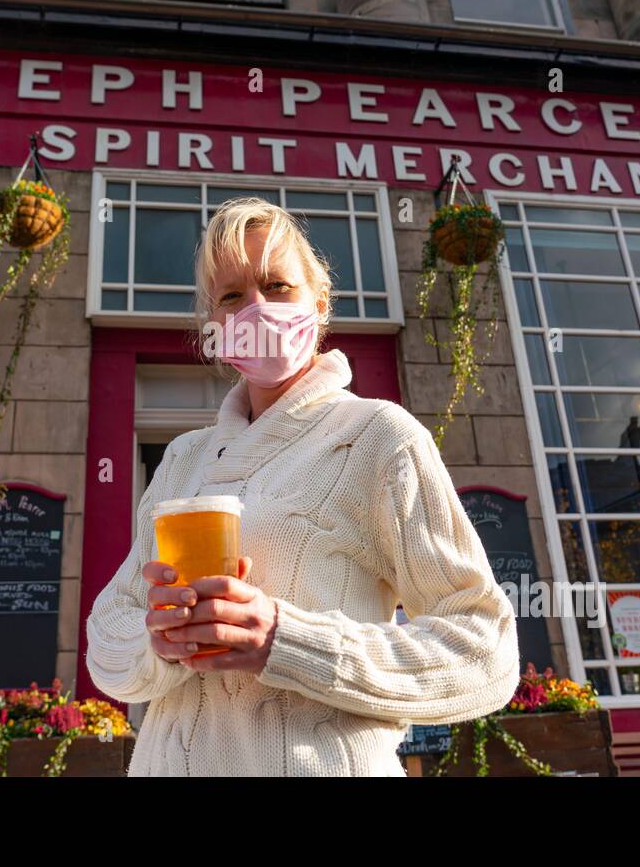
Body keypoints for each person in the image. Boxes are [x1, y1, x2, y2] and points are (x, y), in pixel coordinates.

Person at [84, 197, 520, 776]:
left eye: (276, 286)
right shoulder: (183, 459)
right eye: (233, 296)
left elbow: (484, 650)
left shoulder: (378, 436)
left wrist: (284, 642)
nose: (257, 308)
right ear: (214, 328)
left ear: (318, 306)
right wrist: (158, 644)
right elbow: (108, 641)